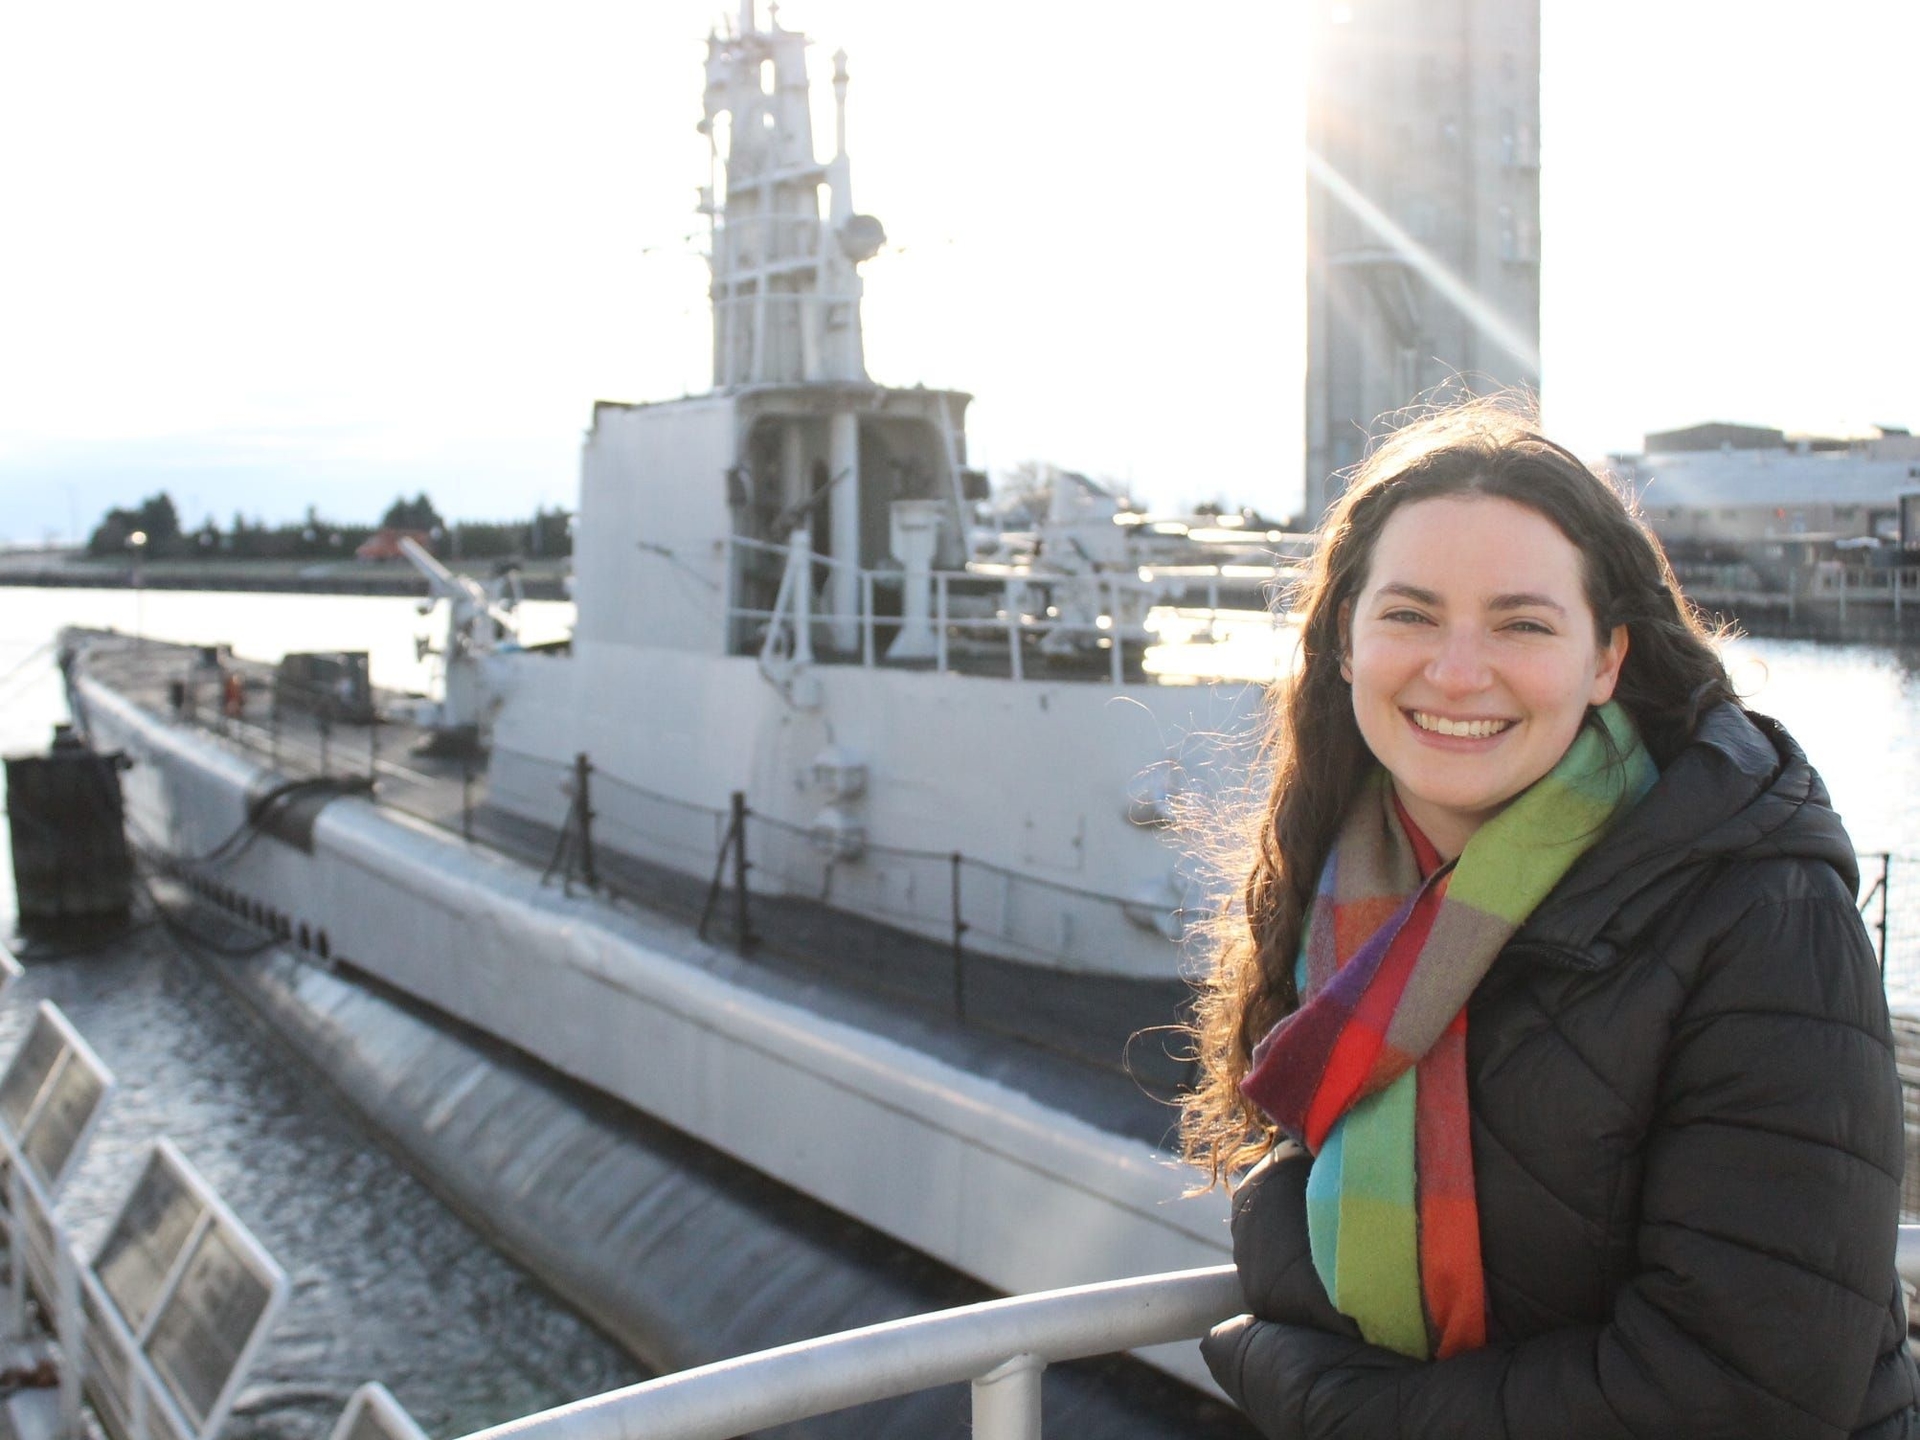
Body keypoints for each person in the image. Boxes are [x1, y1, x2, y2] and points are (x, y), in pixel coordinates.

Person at [1182, 399, 1917, 1438]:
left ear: (1607, 658)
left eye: (1523, 623)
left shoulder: (1759, 909)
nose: (1457, 670)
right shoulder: (1356, 889)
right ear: (1345, 642)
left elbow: (1753, 1389)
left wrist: (1341, 1410)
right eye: (1410, 614)